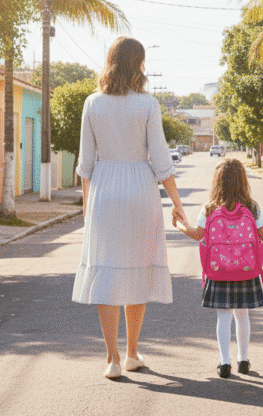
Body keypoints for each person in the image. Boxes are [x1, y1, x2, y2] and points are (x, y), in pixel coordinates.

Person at [72, 36, 187, 380]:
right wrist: (178, 205)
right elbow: (162, 160)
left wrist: (86, 207)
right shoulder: (148, 104)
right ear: (138, 63)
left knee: (107, 272)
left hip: (104, 191)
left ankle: (112, 359)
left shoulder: (92, 103)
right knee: (137, 270)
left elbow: (86, 165)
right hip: (140, 189)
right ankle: (133, 352)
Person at [175, 158, 263, 378]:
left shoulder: (210, 207)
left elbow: (197, 235)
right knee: (243, 316)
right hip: (245, 270)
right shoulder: (251, 207)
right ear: (243, 181)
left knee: (223, 316)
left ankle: (224, 363)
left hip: (218, 269)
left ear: (217, 181)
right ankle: (243, 360)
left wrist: (179, 224)